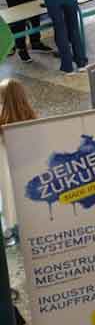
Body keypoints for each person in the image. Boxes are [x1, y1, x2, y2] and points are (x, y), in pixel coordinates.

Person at [0, 79, 37, 247]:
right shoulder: (30, 115)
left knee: (8, 198)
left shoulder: (2, 119)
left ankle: (9, 233)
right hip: (26, 167)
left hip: (5, 168)